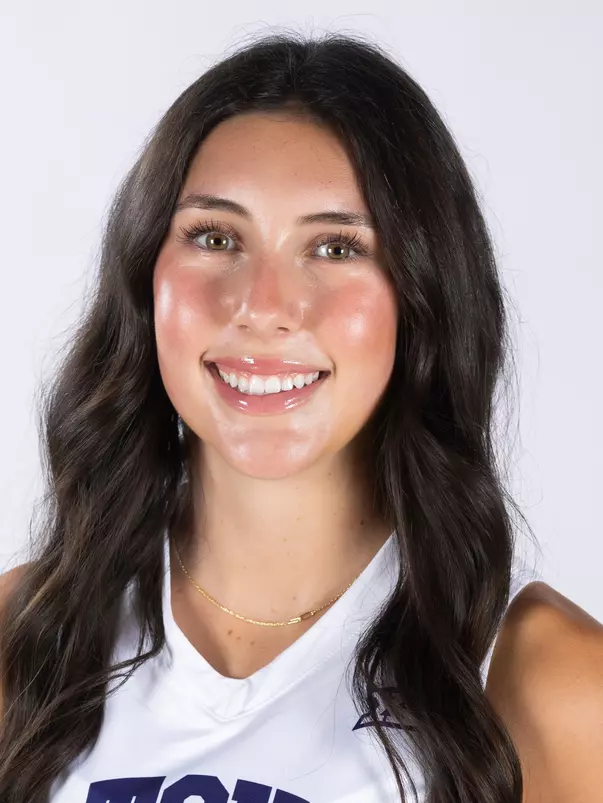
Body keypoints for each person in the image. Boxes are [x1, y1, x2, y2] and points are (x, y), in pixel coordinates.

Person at [0, 29, 601, 803]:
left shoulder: (551, 685)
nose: (263, 307)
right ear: (145, 276)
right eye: (215, 237)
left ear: (424, 292)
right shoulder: (26, 639)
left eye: (335, 247)